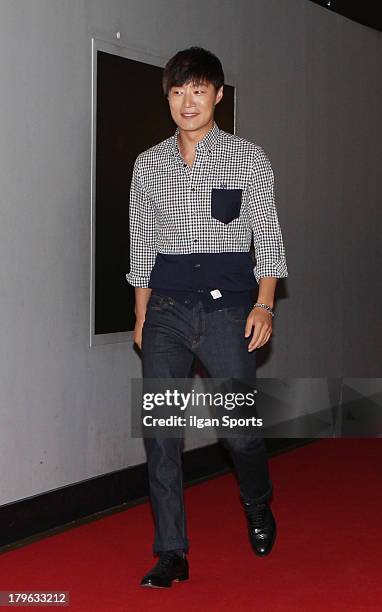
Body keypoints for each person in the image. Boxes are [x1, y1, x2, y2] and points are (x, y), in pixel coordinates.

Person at [126, 46, 288, 588]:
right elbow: (142, 245)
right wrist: (141, 315)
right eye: (176, 91)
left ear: (218, 94)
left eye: (198, 90)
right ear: (167, 98)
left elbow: (266, 234)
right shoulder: (148, 164)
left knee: (238, 431)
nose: (186, 101)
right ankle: (171, 551)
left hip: (228, 310)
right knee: (162, 433)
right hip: (167, 309)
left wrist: (265, 302)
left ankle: (257, 500)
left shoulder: (248, 157)